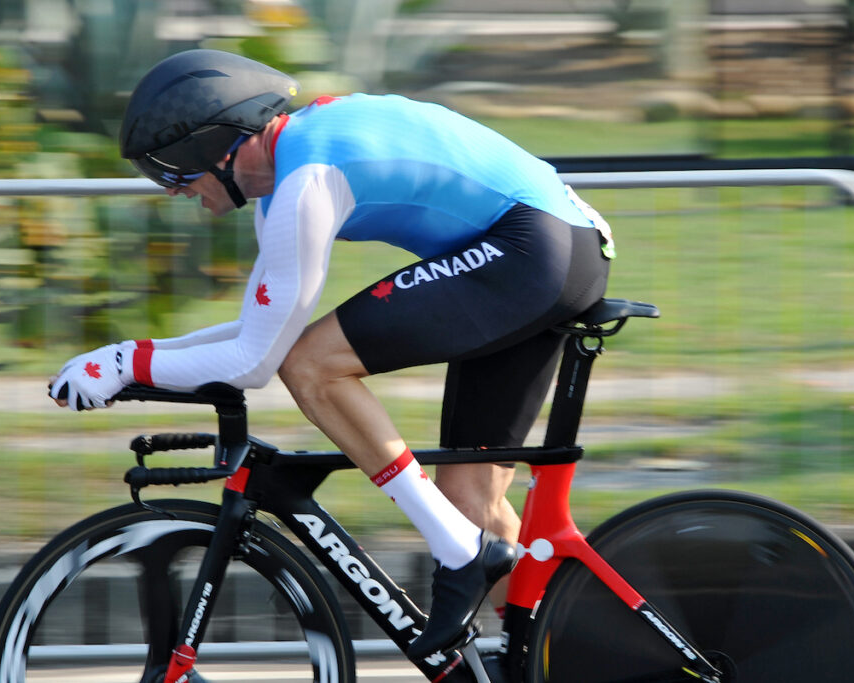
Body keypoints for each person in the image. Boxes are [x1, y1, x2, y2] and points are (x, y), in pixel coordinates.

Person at [48, 49, 613, 660]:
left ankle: (458, 551)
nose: (175, 193)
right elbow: (256, 331)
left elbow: (258, 363)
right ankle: (576, 655)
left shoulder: (305, 180)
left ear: (214, 148)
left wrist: (127, 366)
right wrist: (128, 355)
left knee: (313, 365)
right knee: (470, 502)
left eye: (173, 175)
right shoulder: (284, 185)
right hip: (546, 249)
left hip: (534, 250)